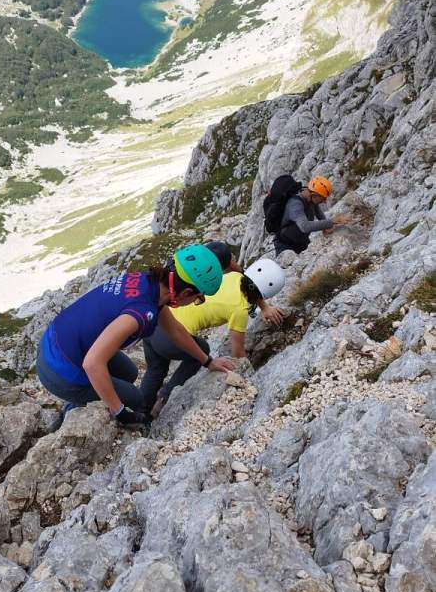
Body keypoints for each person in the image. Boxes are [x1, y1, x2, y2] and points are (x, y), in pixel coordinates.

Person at [36, 244, 235, 429]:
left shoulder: (149, 284)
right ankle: (75, 409)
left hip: (56, 342)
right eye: (198, 299)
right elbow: (92, 364)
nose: (196, 302)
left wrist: (208, 361)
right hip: (60, 370)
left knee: (129, 373)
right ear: (186, 293)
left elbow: (175, 330)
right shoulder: (140, 312)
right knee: (135, 399)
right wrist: (120, 412)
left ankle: (86, 396)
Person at [140, 252, 286, 418]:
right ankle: (165, 396)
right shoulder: (240, 309)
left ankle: (139, 414)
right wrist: (250, 379)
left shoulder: (235, 276)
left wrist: (265, 307)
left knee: (154, 370)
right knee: (201, 351)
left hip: (156, 320)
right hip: (171, 335)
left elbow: (251, 286)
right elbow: (238, 354)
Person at [272, 176, 352, 256]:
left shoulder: (311, 199)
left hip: (300, 243)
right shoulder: (295, 204)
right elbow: (305, 226)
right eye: (323, 198)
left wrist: (325, 228)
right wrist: (332, 221)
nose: (324, 201)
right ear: (314, 195)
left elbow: (319, 213)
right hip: (285, 245)